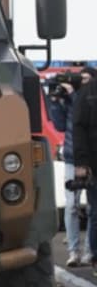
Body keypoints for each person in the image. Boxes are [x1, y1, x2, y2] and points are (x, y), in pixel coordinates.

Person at [49, 66, 96, 266]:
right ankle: (73, 251)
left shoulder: (87, 97)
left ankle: (89, 252)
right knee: (71, 206)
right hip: (71, 157)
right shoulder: (69, 99)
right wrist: (55, 102)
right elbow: (59, 125)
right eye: (79, 79)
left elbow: (85, 116)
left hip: (89, 159)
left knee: (94, 209)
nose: (81, 82)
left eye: (84, 79)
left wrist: (75, 95)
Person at [72, 66, 97, 275]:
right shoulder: (88, 93)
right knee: (96, 212)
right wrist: (81, 163)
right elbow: (78, 127)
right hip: (94, 162)